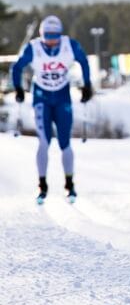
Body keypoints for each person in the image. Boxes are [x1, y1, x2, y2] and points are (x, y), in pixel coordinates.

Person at [12, 15, 93, 203]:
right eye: (47, 36)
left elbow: (84, 61)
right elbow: (17, 67)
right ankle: (42, 185)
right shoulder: (33, 48)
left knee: (65, 142)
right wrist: (18, 88)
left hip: (62, 96)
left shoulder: (70, 45)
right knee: (43, 141)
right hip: (42, 97)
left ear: (60, 34)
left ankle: (69, 184)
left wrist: (87, 85)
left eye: (55, 36)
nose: (51, 41)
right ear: (41, 35)